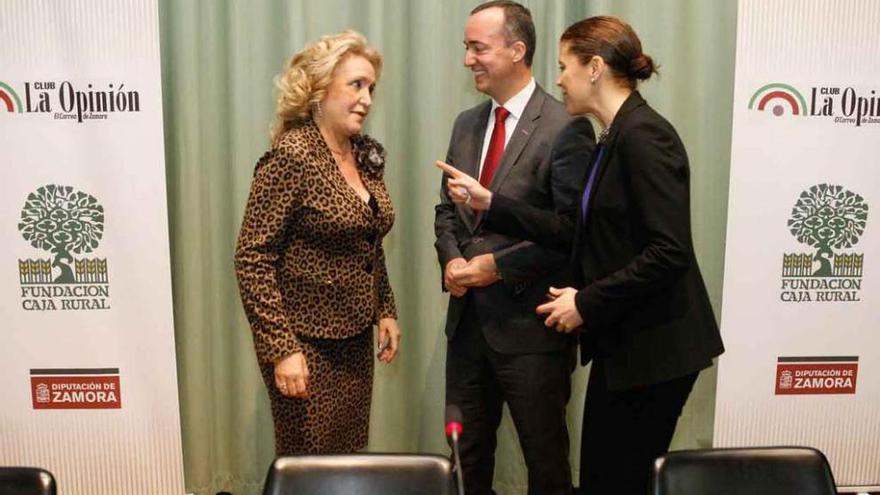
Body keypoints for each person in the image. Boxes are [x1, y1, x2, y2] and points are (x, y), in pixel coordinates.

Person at [438, 15, 725, 495]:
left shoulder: (644, 136)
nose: (558, 78)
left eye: (565, 66)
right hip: (625, 341)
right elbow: (576, 232)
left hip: (656, 346)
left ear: (594, 68)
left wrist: (585, 302)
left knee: (613, 478)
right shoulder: (616, 134)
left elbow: (668, 251)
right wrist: (493, 204)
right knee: (601, 476)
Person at [433, 2, 595, 494]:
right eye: (466, 48)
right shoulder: (466, 123)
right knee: (465, 464)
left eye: (478, 48)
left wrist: (497, 268)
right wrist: (453, 260)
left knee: (545, 465)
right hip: (467, 333)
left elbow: (572, 234)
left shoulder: (566, 126)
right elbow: (446, 212)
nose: (468, 59)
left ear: (517, 49)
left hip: (532, 332)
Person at [234, 30, 401, 455]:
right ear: (320, 90)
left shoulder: (365, 154)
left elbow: (368, 239)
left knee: (347, 458)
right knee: (310, 463)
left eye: (371, 88)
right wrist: (282, 349)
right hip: (303, 343)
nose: (367, 98)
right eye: (356, 85)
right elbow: (252, 257)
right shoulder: (292, 156)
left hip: (354, 339)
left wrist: (384, 309)